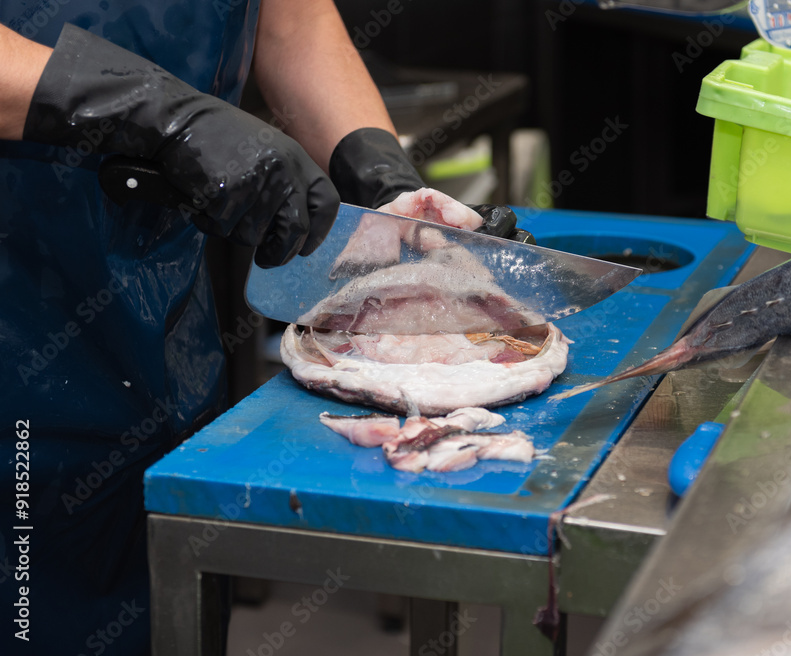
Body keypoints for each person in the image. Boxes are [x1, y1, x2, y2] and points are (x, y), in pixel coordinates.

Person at [0, 1, 501, 653]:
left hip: (161, 329)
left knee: (169, 614)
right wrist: (157, 112)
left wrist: (379, 180)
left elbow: (293, 22)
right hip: (19, 333)